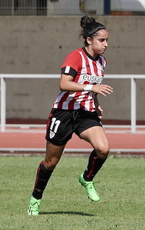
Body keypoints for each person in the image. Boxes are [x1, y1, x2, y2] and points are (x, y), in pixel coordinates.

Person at [27, 15, 113, 216]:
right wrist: (92, 87)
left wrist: (96, 102)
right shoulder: (75, 56)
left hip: (85, 113)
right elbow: (64, 84)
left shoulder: (102, 61)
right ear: (88, 39)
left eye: (107, 40)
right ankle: (35, 198)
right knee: (51, 162)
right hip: (64, 113)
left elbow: (93, 89)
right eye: (102, 40)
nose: (106, 44)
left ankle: (87, 178)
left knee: (103, 148)